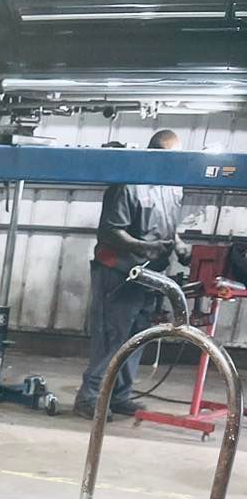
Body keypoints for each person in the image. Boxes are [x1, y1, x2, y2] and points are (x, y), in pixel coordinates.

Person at [74, 129, 189, 419]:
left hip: (152, 277)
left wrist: (179, 244)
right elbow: (111, 231)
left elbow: (170, 226)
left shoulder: (173, 186)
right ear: (154, 153)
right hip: (119, 273)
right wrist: (145, 247)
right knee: (111, 337)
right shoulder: (127, 183)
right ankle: (89, 398)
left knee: (138, 336)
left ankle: (119, 396)